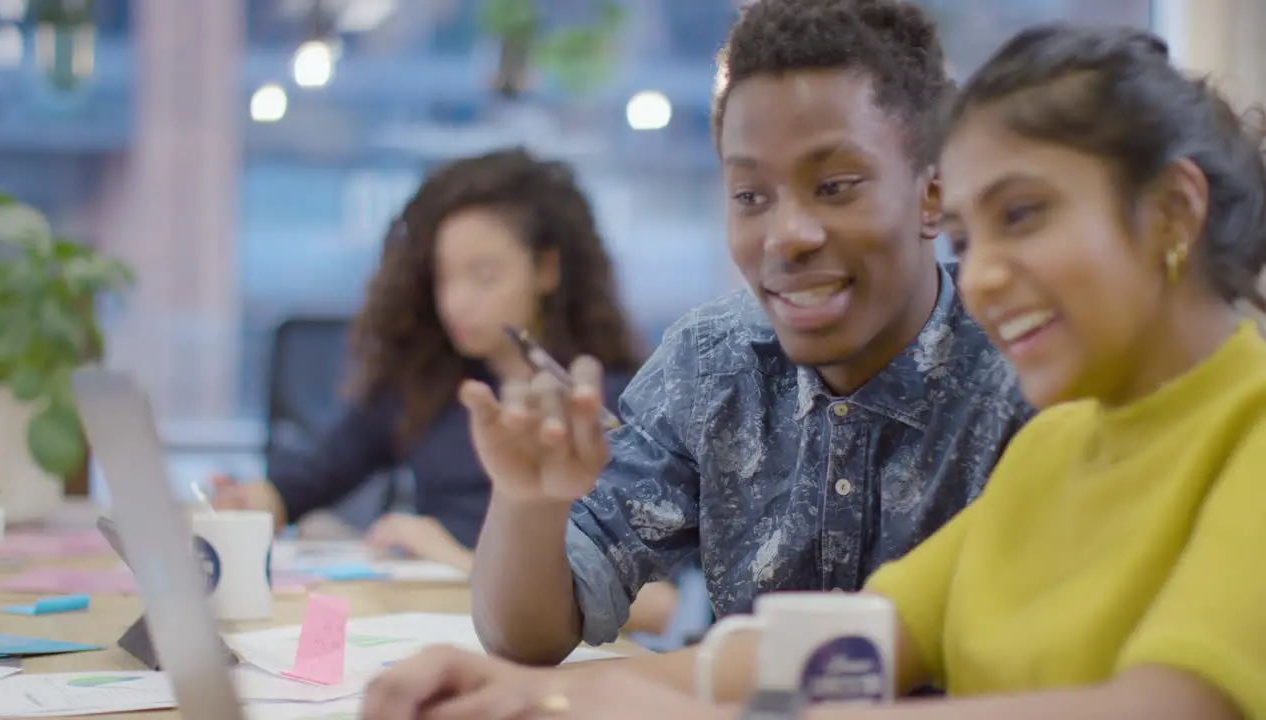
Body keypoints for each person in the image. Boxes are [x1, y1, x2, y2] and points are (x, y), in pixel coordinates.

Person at [362, 22, 1266, 720]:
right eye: (972, 240)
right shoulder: (1063, 444)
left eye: (1023, 216)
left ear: (1173, 213)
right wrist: (539, 698)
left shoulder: (1241, 430)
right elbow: (839, 647)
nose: (983, 275)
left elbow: (1168, 707)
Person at [435, 0, 1029, 677]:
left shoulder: (1025, 370)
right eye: (751, 196)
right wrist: (528, 499)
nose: (786, 235)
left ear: (933, 194)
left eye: (834, 186)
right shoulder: (713, 363)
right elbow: (526, 638)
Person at [210, 148, 646, 576]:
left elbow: (656, 602)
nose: (456, 301)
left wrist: (451, 558)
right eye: (443, 277)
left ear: (546, 269)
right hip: (436, 620)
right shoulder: (427, 387)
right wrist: (259, 501)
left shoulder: (604, 408)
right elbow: (317, 472)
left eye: (485, 276)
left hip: (549, 639)